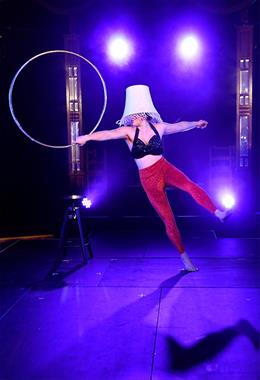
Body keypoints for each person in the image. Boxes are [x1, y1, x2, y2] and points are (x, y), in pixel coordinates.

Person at [76, 85, 231, 272]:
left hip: (164, 168)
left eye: (134, 115)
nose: (131, 118)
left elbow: (179, 127)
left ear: (143, 114)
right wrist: (86, 137)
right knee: (169, 219)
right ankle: (185, 259)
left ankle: (218, 213)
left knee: (190, 186)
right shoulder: (128, 132)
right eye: (130, 115)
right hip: (148, 178)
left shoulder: (159, 127)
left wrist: (195, 123)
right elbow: (108, 134)